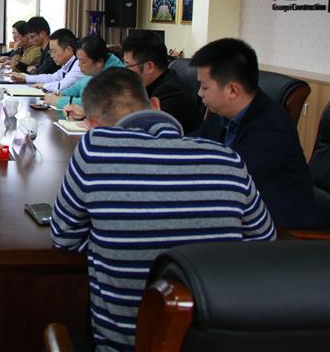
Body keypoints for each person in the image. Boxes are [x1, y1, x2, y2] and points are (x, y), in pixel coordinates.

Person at [51, 68, 275, 351]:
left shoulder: (95, 148)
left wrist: (110, 241)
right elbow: (263, 241)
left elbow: (64, 237)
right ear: (155, 105)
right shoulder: (228, 159)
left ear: (92, 123)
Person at [190, 38, 317, 229]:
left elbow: (229, 175)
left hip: (281, 233)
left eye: (205, 87)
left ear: (232, 90)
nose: (200, 93)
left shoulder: (272, 126)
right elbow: (194, 143)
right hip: (237, 215)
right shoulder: (221, 113)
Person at [121, 32, 203, 133]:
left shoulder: (171, 97)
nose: (125, 71)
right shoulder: (153, 83)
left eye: (128, 66)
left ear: (149, 67)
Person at [46, 34, 124, 117]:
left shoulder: (115, 75)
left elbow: (94, 103)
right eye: (78, 61)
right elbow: (78, 86)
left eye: (83, 62)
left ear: (99, 62)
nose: (79, 65)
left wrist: (58, 101)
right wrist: (62, 94)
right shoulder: (95, 68)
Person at [10, 28, 83, 93]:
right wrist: (26, 78)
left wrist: (43, 86)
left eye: (54, 51)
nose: (52, 56)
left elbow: (62, 86)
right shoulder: (67, 64)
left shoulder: (79, 65)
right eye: (51, 52)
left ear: (68, 50)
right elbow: (52, 78)